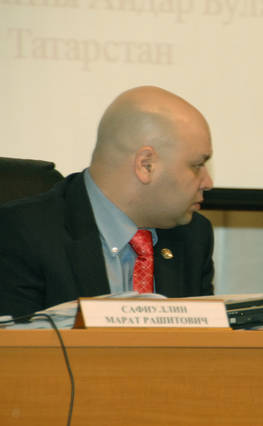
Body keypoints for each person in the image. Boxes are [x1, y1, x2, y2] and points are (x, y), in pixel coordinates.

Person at [0, 86, 215, 317]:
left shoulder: (193, 237)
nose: (208, 183)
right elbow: (19, 339)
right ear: (146, 165)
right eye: (197, 166)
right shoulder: (20, 235)